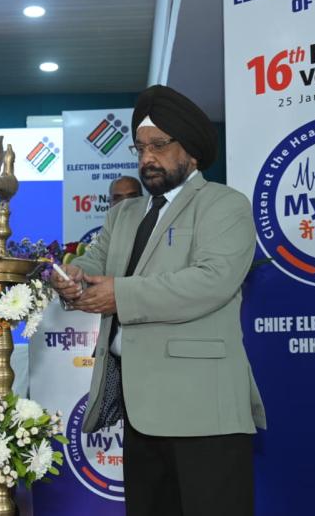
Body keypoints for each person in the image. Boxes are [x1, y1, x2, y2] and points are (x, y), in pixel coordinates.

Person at [51, 84, 266, 516]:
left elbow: (212, 281)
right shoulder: (124, 213)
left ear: (192, 152)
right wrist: (72, 278)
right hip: (140, 409)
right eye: (140, 148)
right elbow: (93, 261)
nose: (147, 157)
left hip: (203, 408)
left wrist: (119, 293)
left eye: (159, 145)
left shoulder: (224, 205)